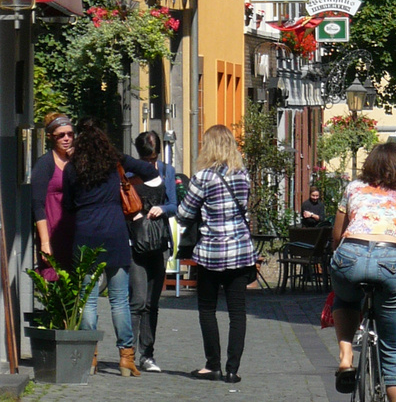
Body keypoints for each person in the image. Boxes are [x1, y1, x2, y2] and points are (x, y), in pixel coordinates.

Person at [329, 141, 396, 402]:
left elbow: (336, 236)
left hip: (350, 253)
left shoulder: (353, 189)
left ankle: (345, 355)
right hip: (391, 261)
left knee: (345, 297)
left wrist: (340, 265)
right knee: (395, 349)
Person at [62, 117, 157, 377]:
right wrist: (126, 183)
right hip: (114, 232)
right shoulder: (114, 161)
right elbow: (151, 172)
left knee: (88, 299)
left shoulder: (72, 168)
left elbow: (68, 205)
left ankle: (91, 357)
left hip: (86, 234)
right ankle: (126, 358)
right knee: (119, 301)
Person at [176, 125, 255, 383]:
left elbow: (184, 214)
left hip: (212, 252)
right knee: (238, 312)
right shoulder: (243, 176)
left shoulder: (203, 178)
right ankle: (233, 369)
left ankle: (213, 365)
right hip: (241, 251)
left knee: (207, 309)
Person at [127, 131, 177, 373]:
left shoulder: (166, 172)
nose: (150, 164)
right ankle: (128, 352)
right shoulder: (128, 174)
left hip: (158, 242)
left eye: (153, 159)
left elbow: (174, 205)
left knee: (151, 303)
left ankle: (147, 354)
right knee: (136, 300)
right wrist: (131, 212)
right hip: (135, 241)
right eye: (146, 160)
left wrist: (161, 209)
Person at [31, 113, 76, 281]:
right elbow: (37, 205)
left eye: (70, 134)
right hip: (53, 231)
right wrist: (44, 241)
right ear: (51, 137)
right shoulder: (45, 164)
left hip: (75, 230)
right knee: (55, 279)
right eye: (61, 135)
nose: (66, 139)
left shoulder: (75, 161)